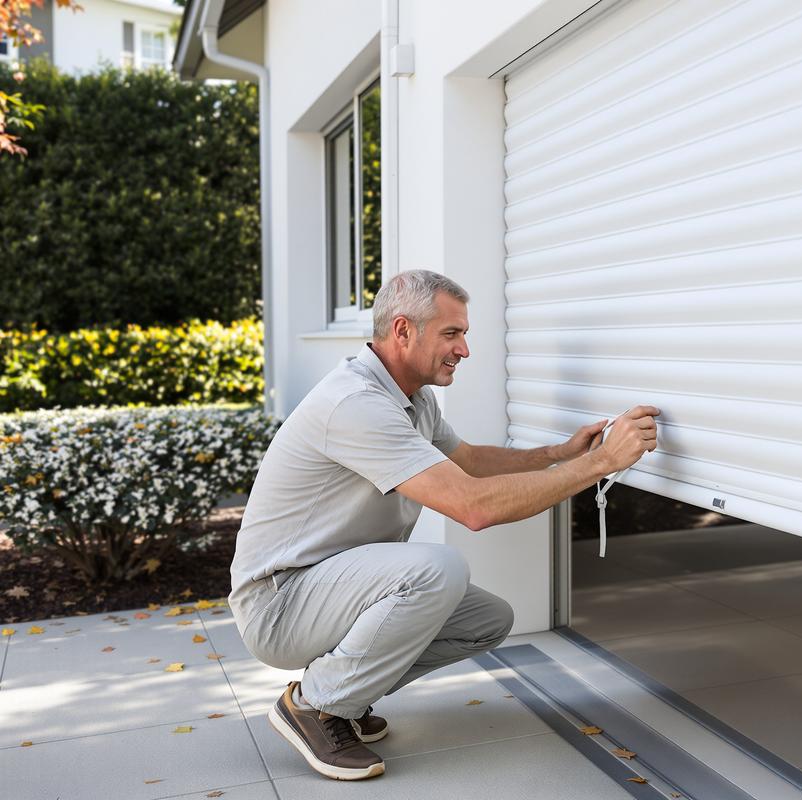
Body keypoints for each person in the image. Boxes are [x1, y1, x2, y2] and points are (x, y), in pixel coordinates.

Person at [228, 269, 659, 781]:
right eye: (451, 334)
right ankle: (315, 706)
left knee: (486, 620)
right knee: (437, 570)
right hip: (280, 604)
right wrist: (600, 463)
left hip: (328, 589)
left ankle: (344, 695)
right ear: (403, 330)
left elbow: (470, 462)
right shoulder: (356, 404)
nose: (464, 350)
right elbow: (474, 507)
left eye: (464, 334)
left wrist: (559, 453)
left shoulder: (412, 398)